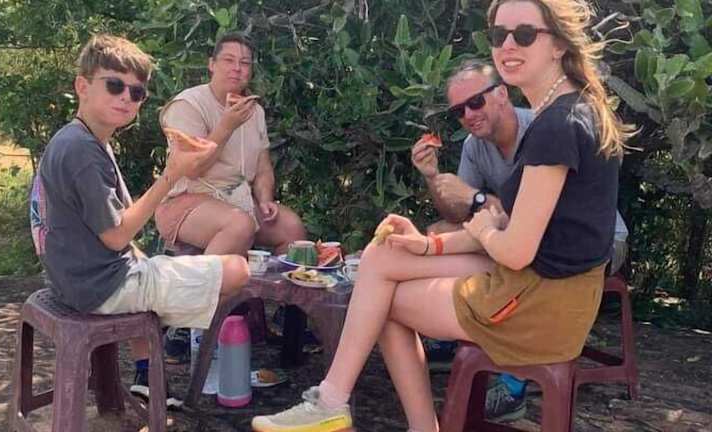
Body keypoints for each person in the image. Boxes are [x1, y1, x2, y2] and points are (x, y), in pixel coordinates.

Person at [250, 0, 633, 429]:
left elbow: (514, 248)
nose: (507, 45)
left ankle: (360, 410)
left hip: (543, 303)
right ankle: (333, 401)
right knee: (384, 255)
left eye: (524, 35)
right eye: (498, 35)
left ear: (558, 44)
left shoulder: (555, 126)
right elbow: (514, 227)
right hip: (542, 283)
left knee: (383, 305)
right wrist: (428, 244)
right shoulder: (568, 110)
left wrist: (484, 226)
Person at [30, 34, 250, 408]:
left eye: (136, 92)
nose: (126, 98)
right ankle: (171, 335)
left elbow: (112, 235)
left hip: (73, 280)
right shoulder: (83, 151)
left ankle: (148, 374)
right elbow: (117, 236)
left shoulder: (78, 139)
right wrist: (172, 173)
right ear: (82, 86)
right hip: (100, 287)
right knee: (238, 271)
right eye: (114, 85)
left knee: (146, 261)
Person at [411, 59, 629, 422]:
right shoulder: (474, 146)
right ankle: (456, 335)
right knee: (439, 230)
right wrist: (433, 177)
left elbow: (530, 220)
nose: (468, 115)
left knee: (502, 254)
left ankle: (513, 382)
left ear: (501, 94)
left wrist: (477, 200)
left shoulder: (544, 128)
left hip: (592, 247)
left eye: (475, 102)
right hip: (527, 240)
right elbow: (460, 215)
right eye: (458, 111)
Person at [155, 32, 306, 257]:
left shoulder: (255, 111)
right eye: (228, 60)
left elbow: (263, 168)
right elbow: (193, 169)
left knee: (291, 227)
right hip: (185, 201)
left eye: (244, 63)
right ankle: (205, 280)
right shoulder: (187, 105)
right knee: (239, 225)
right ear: (212, 64)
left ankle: (272, 282)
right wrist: (226, 126)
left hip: (238, 200)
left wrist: (265, 200)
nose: (237, 68)